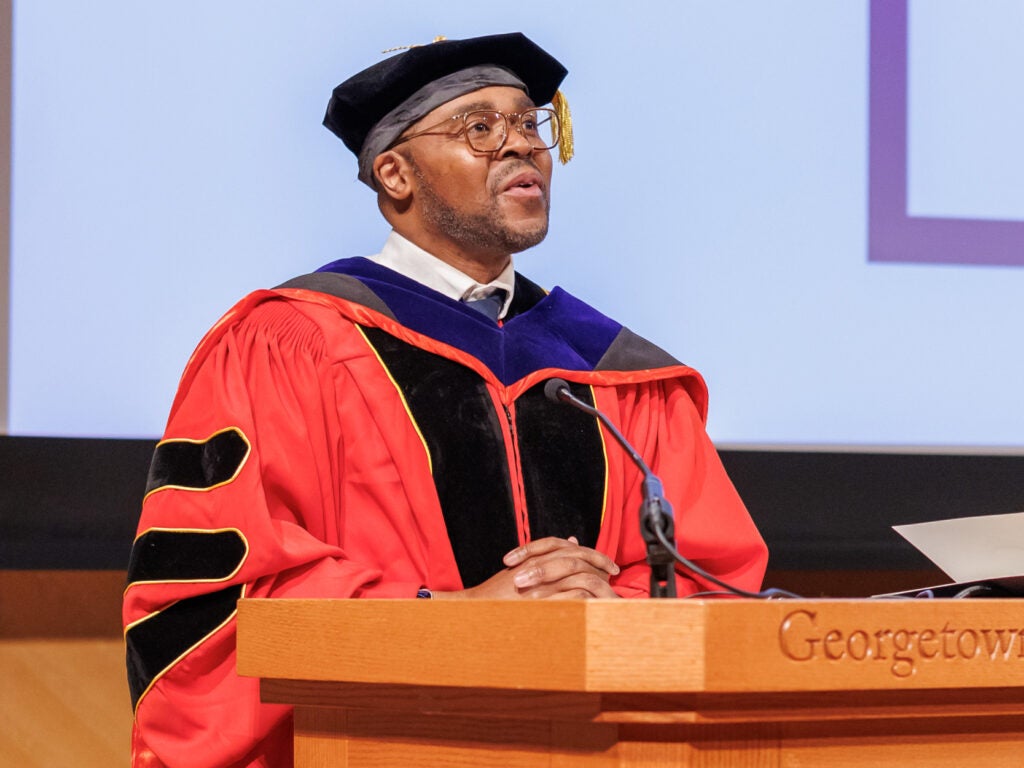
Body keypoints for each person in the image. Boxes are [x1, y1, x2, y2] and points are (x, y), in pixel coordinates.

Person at [122, 32, 768, 768]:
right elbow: (221, 592)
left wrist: (610, 611)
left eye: (530, 124)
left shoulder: (616, 374)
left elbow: (715, 582)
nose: (522, 147)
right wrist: (451, 619)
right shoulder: (290, 344)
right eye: (481, 129)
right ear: (395, 174)